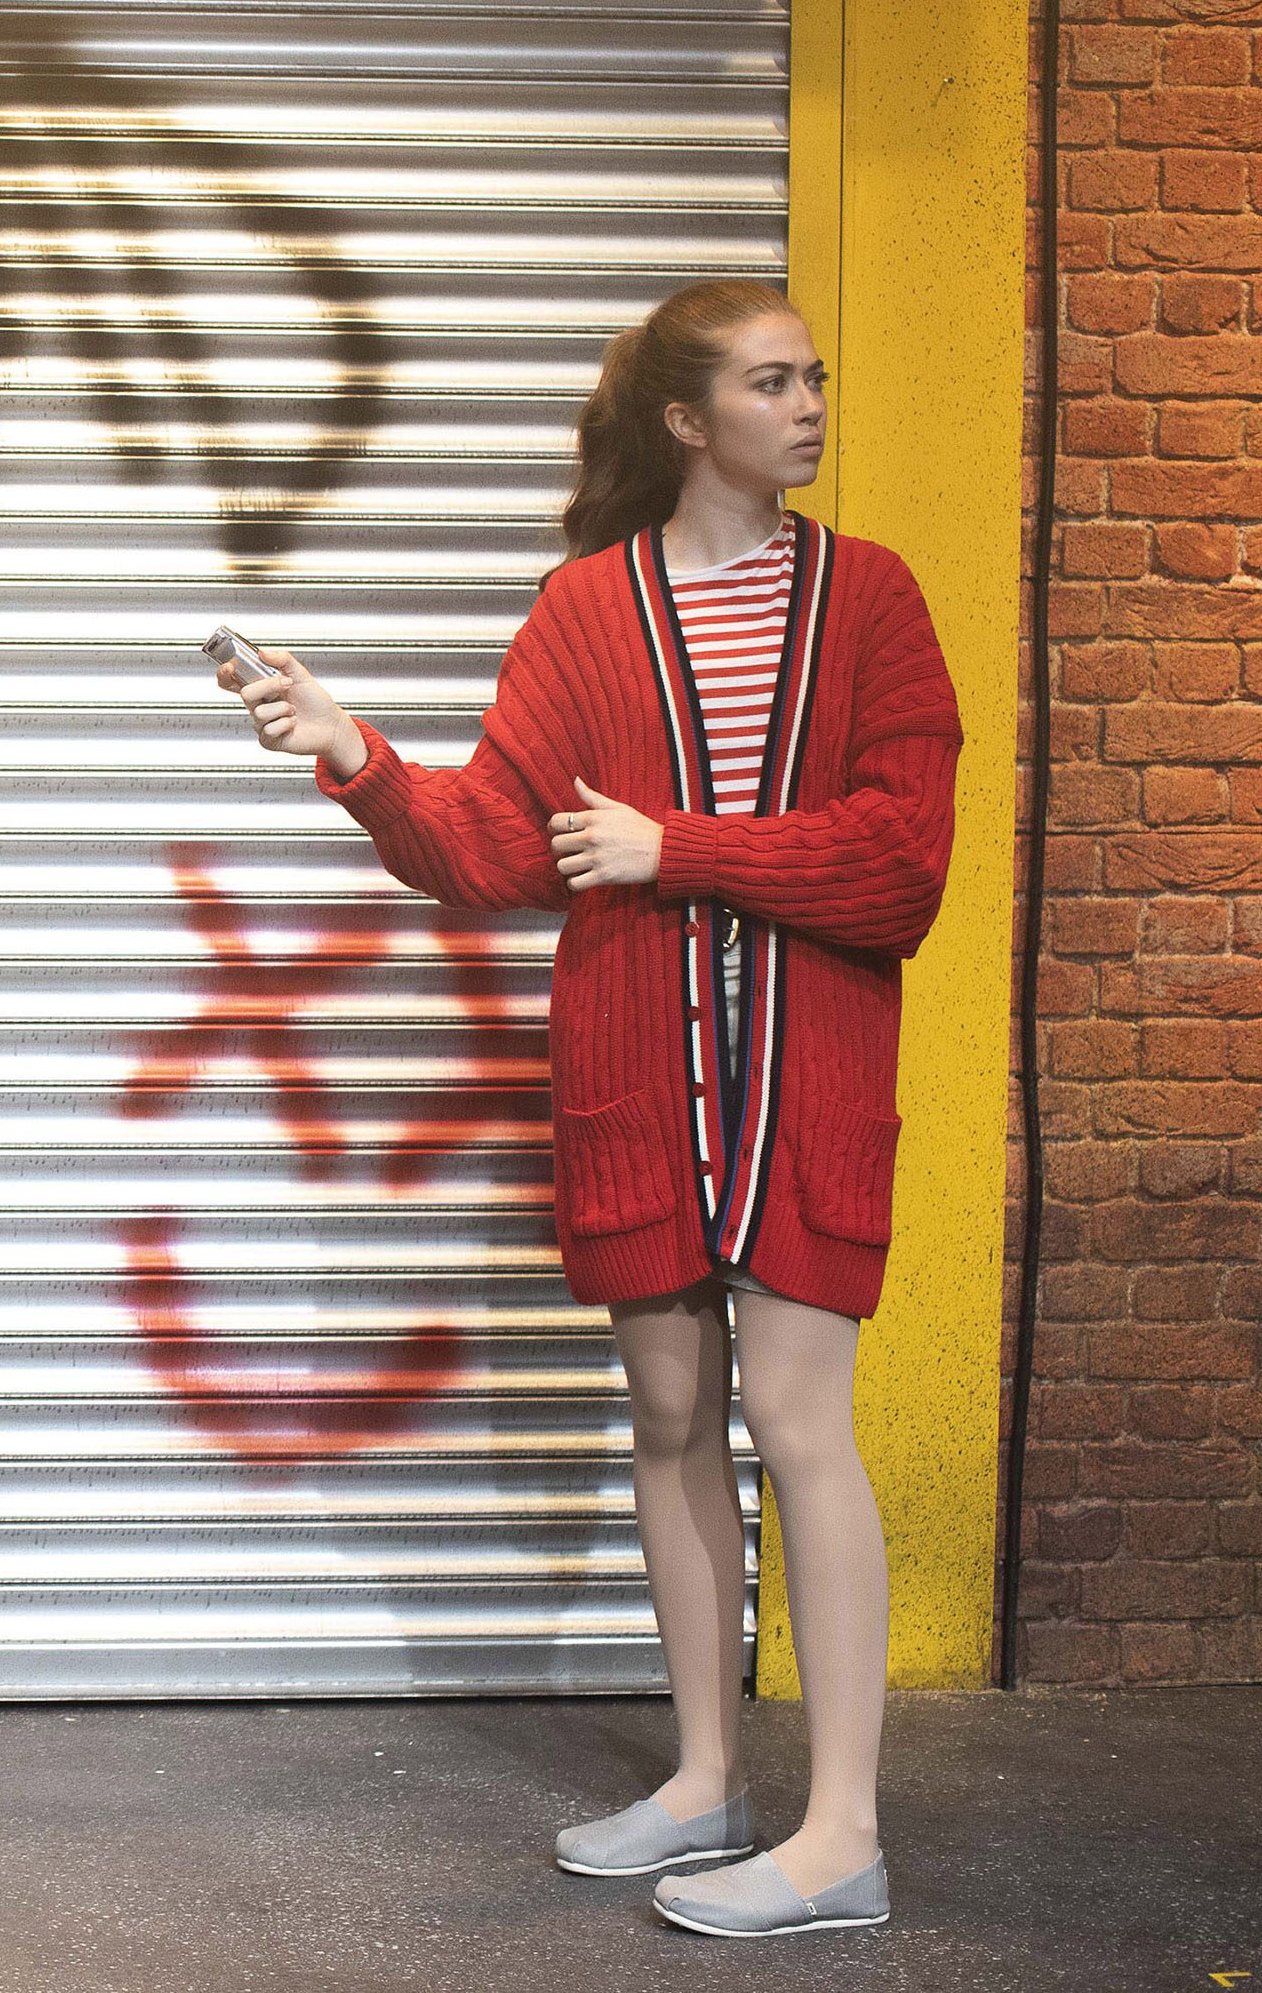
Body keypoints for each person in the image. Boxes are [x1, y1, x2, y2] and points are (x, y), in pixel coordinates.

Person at [219, 278, 955, 1940]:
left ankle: (844, 1831)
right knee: (672, 1412)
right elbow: (495, 841)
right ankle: (709, 1779)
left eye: (815, 376)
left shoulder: (873, 601)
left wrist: (672, 847)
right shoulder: (586, 610)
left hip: (807, 1078)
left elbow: (903, 861)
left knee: (800, 1415)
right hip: (640, 1075)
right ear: (688, 421)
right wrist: (353, 753)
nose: (811, 405)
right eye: (773, 382)